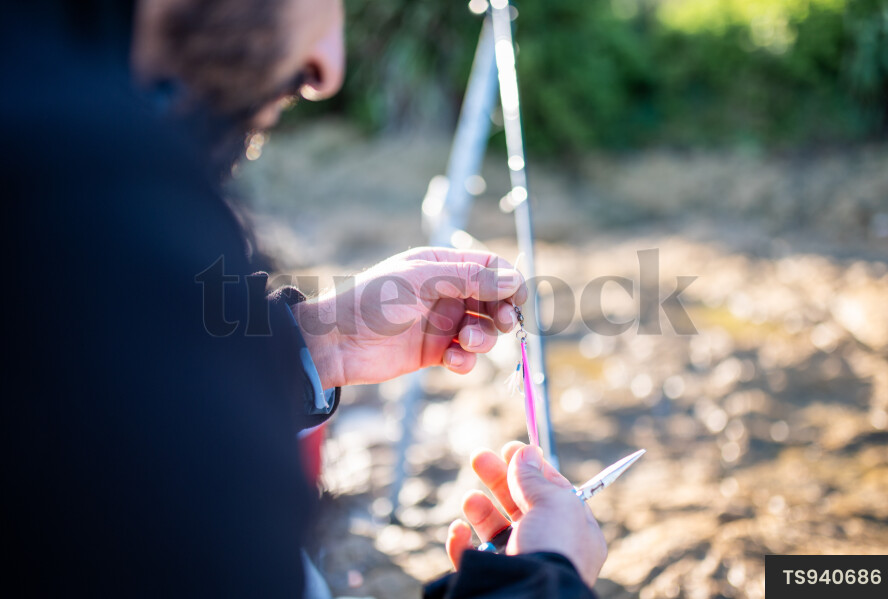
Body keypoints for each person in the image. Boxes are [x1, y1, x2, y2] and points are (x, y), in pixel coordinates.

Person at [1, 0, 606, 597]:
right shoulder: (78, 200)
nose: (328, 69)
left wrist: (315, 343)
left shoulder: (60, 172)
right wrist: (541, 584)